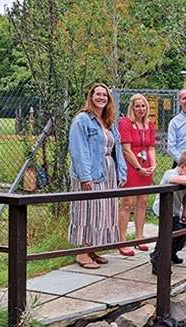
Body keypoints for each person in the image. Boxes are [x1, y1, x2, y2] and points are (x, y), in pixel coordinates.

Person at [68, 83, 127, 269]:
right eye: (98, 94)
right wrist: (85, 177)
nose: (101, 98)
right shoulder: (82, 120)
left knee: (102, 212)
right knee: (88, 210)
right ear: (91, 97)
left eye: (105, 95)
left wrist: (121, 172)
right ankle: (81, 253)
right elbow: (78, 151)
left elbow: (117, 148)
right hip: (90, 172)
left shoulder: (108, 121)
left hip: (107, 172)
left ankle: (92, 248)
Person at [150, 150, 186, 275]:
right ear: (183, 167)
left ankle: (170, 253)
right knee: (169, 235)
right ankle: (158, 260)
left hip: (174, 211)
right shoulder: (170, 173)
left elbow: (185, 196)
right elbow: (179, 180)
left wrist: (185, 211)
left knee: (184, 231)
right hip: (163, 209)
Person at [117, 94, 157, 257]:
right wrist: (138, 167)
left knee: (142, 202)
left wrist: (153, 164)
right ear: (132, 107)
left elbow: (151, 147)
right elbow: (126, 149)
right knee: (127, 202)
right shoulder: (125, 123)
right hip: (132, 167)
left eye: (143, 106)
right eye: (137, 106)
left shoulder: (150, 125)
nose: (140, 109)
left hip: (145, 167)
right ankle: (122, 240)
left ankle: (139, 237)